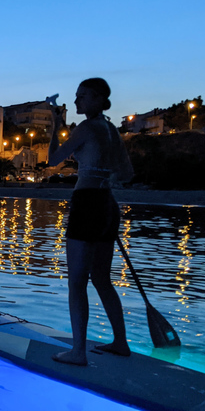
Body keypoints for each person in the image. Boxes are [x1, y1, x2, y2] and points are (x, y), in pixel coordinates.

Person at [47, 78, 134, 366]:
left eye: (82, 97)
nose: (76, 103)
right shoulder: (112, 129)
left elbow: (53, 159)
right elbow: (125, 174)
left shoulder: (86, 127)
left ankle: (78, 352)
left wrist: (56, 126)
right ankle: (120, 343)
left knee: (76, 282)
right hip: (108, 203)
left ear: (98, 99)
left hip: (87, 203)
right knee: (101, 278)